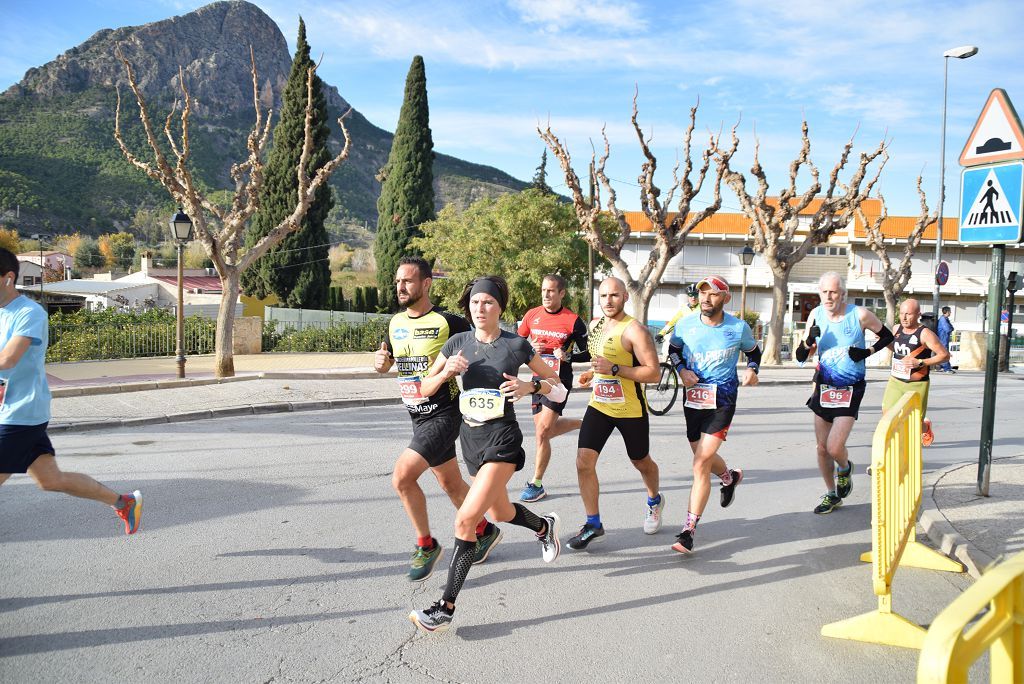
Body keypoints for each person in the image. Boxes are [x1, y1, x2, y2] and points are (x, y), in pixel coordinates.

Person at [408, 275, 564, 634]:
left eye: (488, 303)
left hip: (504, 439)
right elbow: (423, 390)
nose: (481, 308)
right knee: (499, 510)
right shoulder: (456, 344)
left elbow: (558, 387)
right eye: (476, 302)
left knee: (465, 521)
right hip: (471, 440)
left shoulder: (517, 345)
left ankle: (445, 608)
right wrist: (446, 370)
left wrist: (532, 386)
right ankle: (544, 526)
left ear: (500, 308)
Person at [374, 256, 500, 582]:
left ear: (426, 283)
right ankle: (484, 531)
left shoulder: (450, 323)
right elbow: (394, 363)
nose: (401, 287)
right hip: (416, 414)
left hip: (444, 413)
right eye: (398, 281)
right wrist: (381, 363)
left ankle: (426, 544)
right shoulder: (395, 322)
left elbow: (484, 349)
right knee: (450, 482)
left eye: (408, 281)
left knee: (402, 478)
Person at [0, 247, 141, 534]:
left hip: (19, 414)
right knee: (50, 479)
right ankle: (123, 502)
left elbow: (8, 360)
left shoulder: (29, 313)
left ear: (7, 278)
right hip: (12, 413)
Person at [567, 277, 664, 550]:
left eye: (614, 296)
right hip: (599, 405)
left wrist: (615, 370)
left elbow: (653, 373)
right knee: (583, 462)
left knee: (641, 462)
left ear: (624, 297)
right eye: (604, 296)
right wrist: (591, 373)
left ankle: (654, 500)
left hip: (630, 409)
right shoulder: (597, 325)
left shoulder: (636, 331)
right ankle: (593, 523)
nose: (608, 301)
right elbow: (601, 362)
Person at [667, 275, 761, 553]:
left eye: (714, 294)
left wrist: (753, 369)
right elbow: (673, 351)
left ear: (725, 298)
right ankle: (729, 476)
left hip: (723, 400)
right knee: (699, 452)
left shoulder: (738, 328)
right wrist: (681, 370)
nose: (706, 299)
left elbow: (754, 352)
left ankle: (688, 530)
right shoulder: (685, 325)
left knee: (700, 464)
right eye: (703, 293)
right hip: (694, 400)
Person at [796, 272, 894, 515]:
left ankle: (844, 467)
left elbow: (888, 336)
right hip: (824, 385)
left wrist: (867, 351)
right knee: (821, 447)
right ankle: (831, 493)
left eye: (834, 292)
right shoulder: (816, 315)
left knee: (835, 447)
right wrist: (809, 342)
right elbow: (801, 356)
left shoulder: (859, 315)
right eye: (824, 292)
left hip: (851, 387)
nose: (829, 297)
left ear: (842, 294)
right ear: (820, 293)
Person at [517, 274, 589, 503]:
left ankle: (536, 483)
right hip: (536, 381)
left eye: (551, 291)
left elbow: (588, 352)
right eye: (543, 290)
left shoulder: (573, 320)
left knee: (542, 432)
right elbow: (515, 344)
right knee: (544, 432)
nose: (546, 295)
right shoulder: (532, 316)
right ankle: (582, 424)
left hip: (559, 381)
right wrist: (529, 346)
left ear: (561, 294)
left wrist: (568, 355)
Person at [882, 299, 949, 447]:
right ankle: (895, 447)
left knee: (914, 423)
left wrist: (921, 362)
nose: (904, 318)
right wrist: (885, 342)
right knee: (887, 414)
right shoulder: (896, 329)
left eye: (908, 314)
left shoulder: (925, 334)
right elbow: (898, 349)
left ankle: (925, 427)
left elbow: (945, 355)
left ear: (918, 314)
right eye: (902, 313)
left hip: (917, 384)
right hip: (896, 380)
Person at [937, 306, 955, 373]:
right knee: (944, 353)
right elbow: (948, 329)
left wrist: (951, 328)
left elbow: (952, 328)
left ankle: (940, 367)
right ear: (947, 312)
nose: (950, 312)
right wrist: (951, 328)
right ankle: (946, 368)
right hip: (943, 338)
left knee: (943, 352)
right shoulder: (943, 320)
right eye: (950, 311)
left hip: (944, 338)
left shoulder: (946, 319)